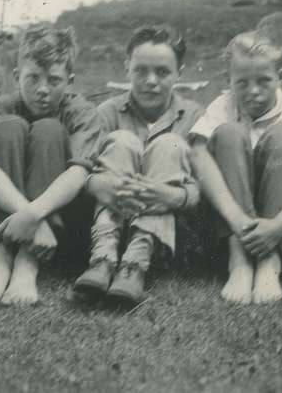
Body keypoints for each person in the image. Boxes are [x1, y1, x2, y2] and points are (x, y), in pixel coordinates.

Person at [0, 25, 102, 306]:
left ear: (69, 81)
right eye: (32, 78)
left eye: (54, 80)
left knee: (49, 129)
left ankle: (28, 264)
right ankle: (1, 260)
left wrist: (33, 215)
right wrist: (29, 218)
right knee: (10, 127)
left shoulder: (82, 113)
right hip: (16, 225)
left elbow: (78, 173)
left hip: (60, 228)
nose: (42, 90)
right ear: (17, 77)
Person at [187, 31, 282, 304]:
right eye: (242, 83)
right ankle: (238, 264)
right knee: (229, 133)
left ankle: (269, 264)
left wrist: (279, 225)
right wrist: (239, 221)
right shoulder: (223, 106)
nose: (253, 91)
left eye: (264, 81)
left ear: (281, 76)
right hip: (228, 229)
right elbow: (197, 154)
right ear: (228, 80)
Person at [75, 25, 203, 307]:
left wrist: (175, 196)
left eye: (162, 72)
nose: (151, 81)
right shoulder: (106, 113)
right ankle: (103, 260)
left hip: (167, 239)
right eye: (141, 71)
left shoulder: (193, 116)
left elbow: (203, 187)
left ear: (179, 74)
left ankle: (135, 264)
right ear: (126, 69)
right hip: (108, 227)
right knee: (121, 140)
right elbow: (81, 171)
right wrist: (100, 185)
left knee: (170, 143)